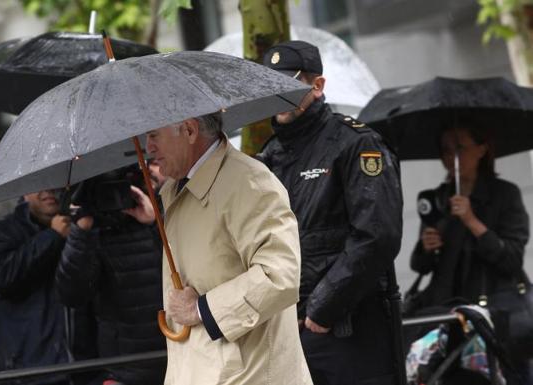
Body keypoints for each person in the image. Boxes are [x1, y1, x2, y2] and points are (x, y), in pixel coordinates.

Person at [258, 40, 404, 385]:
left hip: (348, 328)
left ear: (317, 85)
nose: (278, 95)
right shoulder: (269, 155)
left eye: (288, 83)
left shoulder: (356, 143)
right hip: (290, 332)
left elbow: (377, 235)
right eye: (271, 85)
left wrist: (322, 309)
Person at [144, 112, 313, 385]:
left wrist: (201, 309)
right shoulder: (177, 188)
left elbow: (280, 275)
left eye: (154, 135)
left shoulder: (249, 182)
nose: (148, 146)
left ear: (189, 130)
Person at [409, 119, 530, 382]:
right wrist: (427, 246)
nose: (451, 156)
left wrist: (472, 222)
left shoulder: (504, 195)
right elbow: (419, 265)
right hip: (447, 316)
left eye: (460, 148)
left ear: (482, 149)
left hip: (494, 315)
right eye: (445, 150)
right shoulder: (436, 198)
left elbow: (511, 259)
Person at [55, 161, 167, 385]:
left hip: (175, 354)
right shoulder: (88, 236)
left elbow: (183, 267)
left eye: (117, 190)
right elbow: (72, 294)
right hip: (124, 368)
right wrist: (82, 228)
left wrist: (154, 222)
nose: (112, 199)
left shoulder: (157, 215)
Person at [0, 189, 71, 381]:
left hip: (84, 365)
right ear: (24, 190)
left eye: (53, 178)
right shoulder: (0, 232)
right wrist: (53, 236)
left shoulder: (79, 225)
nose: (48, 189)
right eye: (39, 181)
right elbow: (4, 279)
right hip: (30, 370)